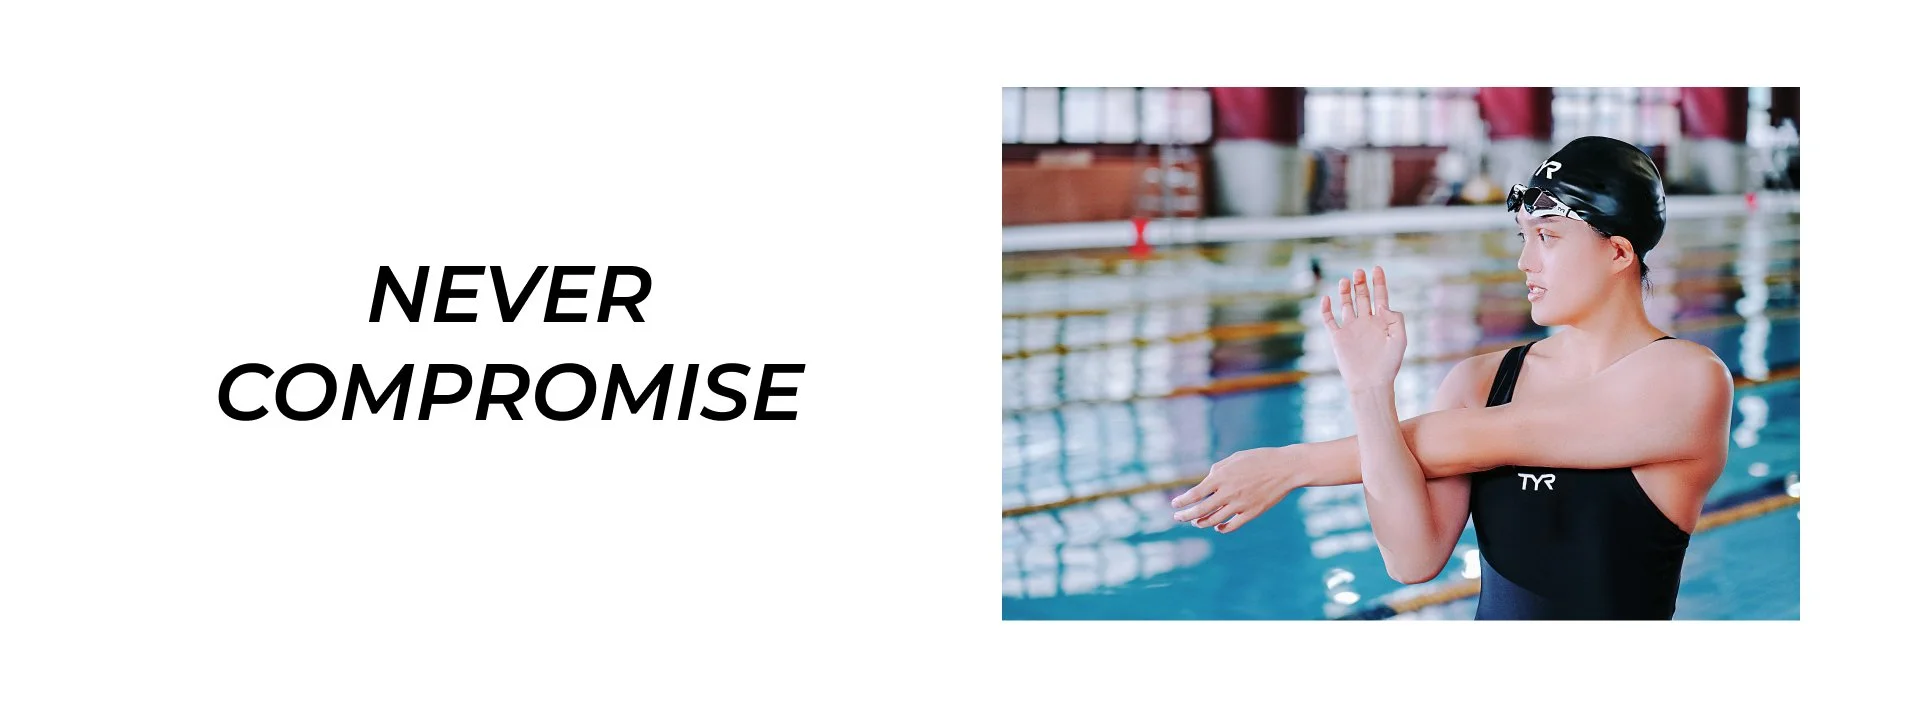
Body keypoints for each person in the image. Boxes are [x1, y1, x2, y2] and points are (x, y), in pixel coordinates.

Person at [1170, 136, 1734, 620]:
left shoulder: (1687, 379)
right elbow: (1411, 560)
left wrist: (1292, 464)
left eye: (1549, 237)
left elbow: (1486, 438)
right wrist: (1369, 391)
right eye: (1523, 236)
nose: (1525, 262)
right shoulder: (1481, 381)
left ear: (1617, 252)